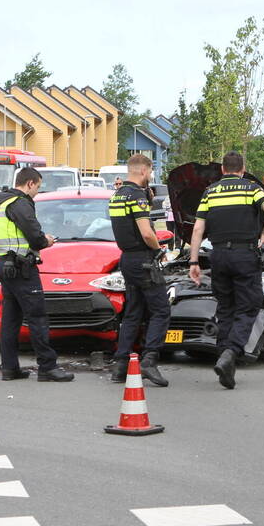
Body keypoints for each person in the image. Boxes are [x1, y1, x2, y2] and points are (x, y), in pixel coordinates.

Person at [188, 151, 264, 389]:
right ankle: (231, 352)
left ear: (222, 169)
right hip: (244, 255)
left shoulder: (211, 192)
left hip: (218, 256)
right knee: (248, 307)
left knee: (225, 307)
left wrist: (194, 262)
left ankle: (224, 364)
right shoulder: (250, 188)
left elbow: (198, 230)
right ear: (242, 169)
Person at [0, 167, 74, 382]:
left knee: (11, 318)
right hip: (21, 267)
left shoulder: (2, 202)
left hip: (3, 264)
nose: (37, 191)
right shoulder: (20, 204)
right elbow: (35, 238)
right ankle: (47, 367)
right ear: (30, 183)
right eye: (37, 187)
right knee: (37, 317)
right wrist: (46, 240)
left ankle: (10, 368)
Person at [108, 154, 170, 387]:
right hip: (143, 260)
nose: (151, 176)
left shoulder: (117, 196)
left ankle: (120, 364)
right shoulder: (136, 196)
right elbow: (146, 232)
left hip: (127, 260)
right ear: (144, 170)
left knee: (133, 311)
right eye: (151, 172)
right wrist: (159, 249)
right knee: (161, 311)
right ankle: (149, 360)